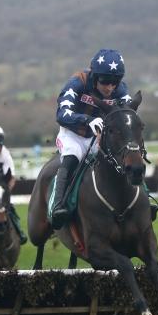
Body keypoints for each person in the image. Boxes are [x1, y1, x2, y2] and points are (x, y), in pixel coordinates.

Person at [50, 48, 132, 230]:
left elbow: (129, 115)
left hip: (98, 136)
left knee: (125, 156)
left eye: (114, 82)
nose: (109, 87)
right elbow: (61, 114)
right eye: (105, 81)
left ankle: (143, 197)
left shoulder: (121, 90)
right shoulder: (77, 82)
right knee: (72, 156)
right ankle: (58, 206)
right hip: (72, 134)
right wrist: (87, 120)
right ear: (95, 76)